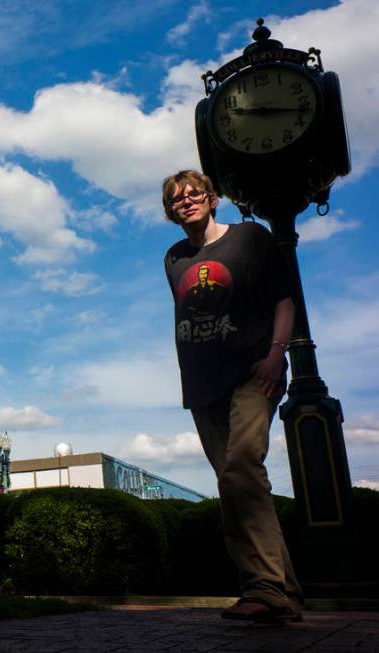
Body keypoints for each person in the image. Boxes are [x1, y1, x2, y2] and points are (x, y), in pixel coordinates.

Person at [162, 170, 303, 624]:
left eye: (194, 193)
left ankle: (262, 588)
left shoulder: (249, 238)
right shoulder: (175, 258)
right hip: (202, 386)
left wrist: (276, 355)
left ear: (213, 197)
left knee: (243, 466)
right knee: (235, 485)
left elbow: (284, 299)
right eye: (176, 199)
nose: (186, 201)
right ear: (170, 212)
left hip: (252, 372)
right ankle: (283, 590)